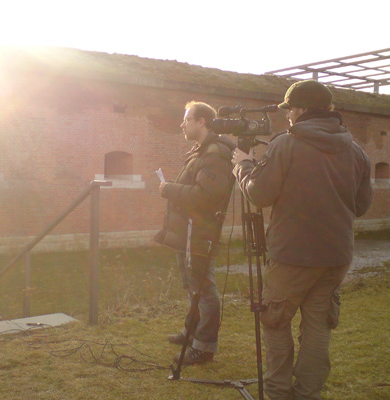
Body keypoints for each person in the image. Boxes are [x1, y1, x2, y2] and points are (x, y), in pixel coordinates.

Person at [231, 80, 373, 399]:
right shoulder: (356, 151)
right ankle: (308, 393)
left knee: (275, 321)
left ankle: (278, 393)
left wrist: (243, 166)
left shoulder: (286, 144)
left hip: (292, 256)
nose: (287, 117)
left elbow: (259, 194)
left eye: (290, 109)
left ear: (301, 110)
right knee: (318, 325)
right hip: (336, 256)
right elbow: (362, 206)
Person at [154, 101, 234, 365]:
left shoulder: (214, 155)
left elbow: (206, 197)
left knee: (204, 289)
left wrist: (169, 189)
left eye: (187, 119)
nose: (182, 124)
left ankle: (204, 347)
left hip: (198, 232)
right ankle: (191, 332)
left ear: (202, 121)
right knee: (192, 287)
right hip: (188, 231)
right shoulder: (201, 152)